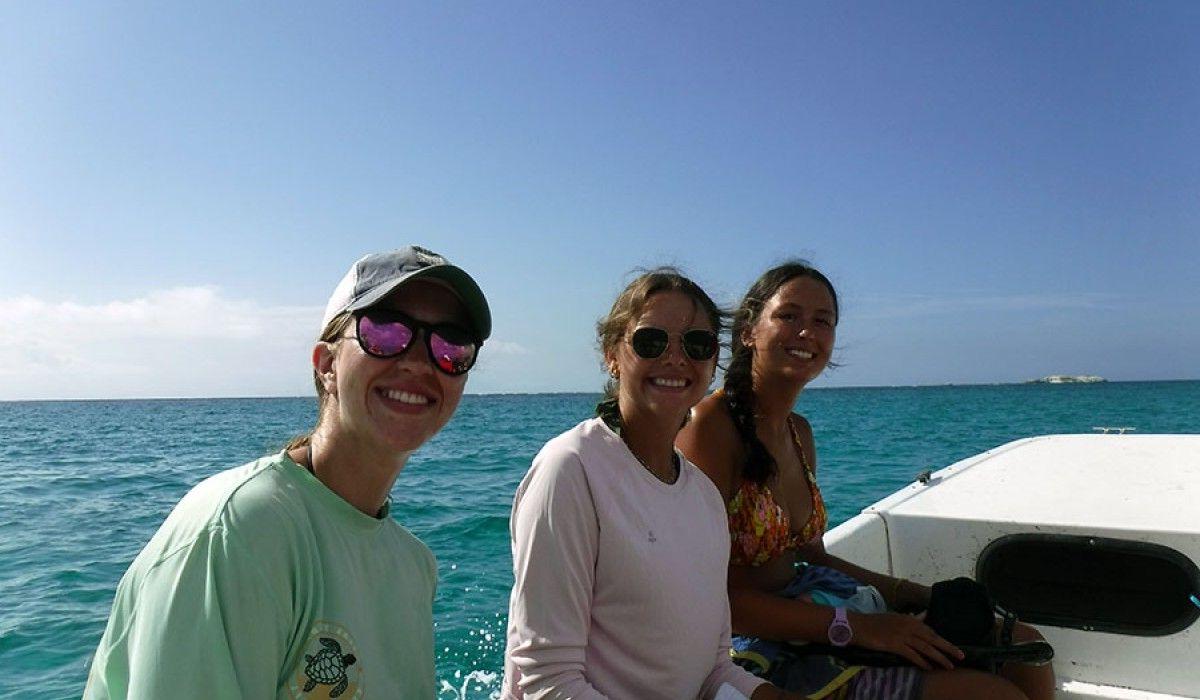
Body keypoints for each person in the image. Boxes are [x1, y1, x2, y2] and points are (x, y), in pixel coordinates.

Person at [84, 246, 491, 699]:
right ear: (326, 365)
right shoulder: (237, 531)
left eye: (450, 344)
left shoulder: (415, 566)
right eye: (385, 332)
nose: (418, 361)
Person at [676, 261, 1055, 700]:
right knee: (988, 694)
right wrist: (862, 629)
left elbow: (813, 556)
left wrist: (913, 595)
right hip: (756, 646)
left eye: (823, 321)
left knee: (1026, 647)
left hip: (817, 612)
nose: (807, 332)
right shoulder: (710, 427)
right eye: (789, 316)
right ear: (748, 331)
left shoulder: (798, 432)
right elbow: (710, 599)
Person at [503, 269, 791, 700]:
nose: (676, 358)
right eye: (651, 341)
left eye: (697, 345)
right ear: (612, 355)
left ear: (713, 363)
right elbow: (547, 683)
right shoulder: (571, 470)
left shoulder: (705, 498)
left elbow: (712, 671)